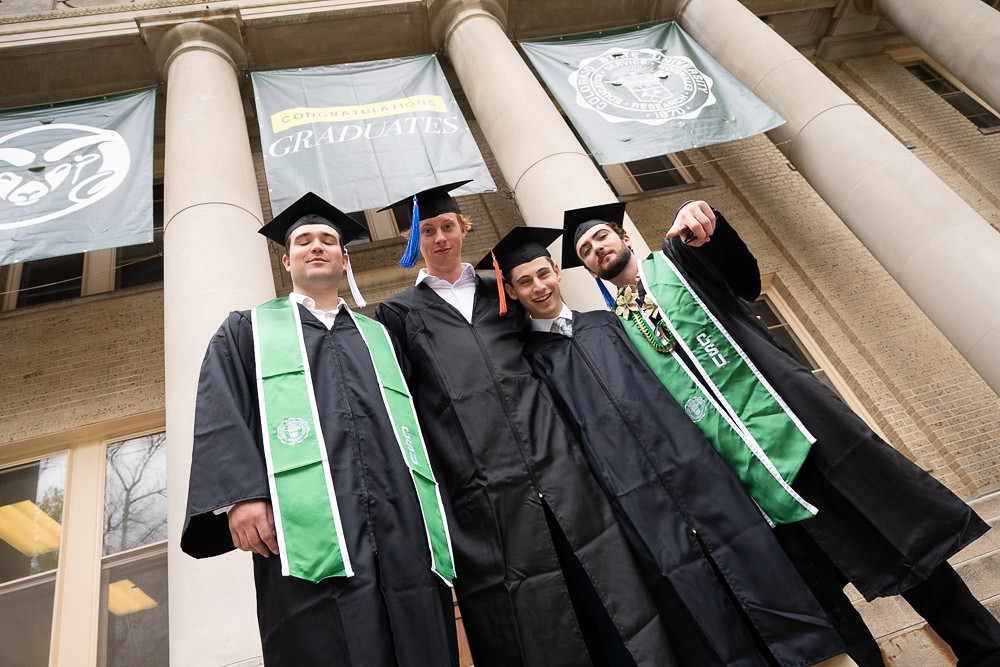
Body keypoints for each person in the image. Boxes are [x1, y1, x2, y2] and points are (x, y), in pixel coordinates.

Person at [565, 199, 1000, 667]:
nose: (596, 249)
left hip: (805, 439)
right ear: (589, 269)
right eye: (586, 250)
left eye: (601, 237)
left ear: (625, 237)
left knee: (903, 548)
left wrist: (702, 219)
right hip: (752, 482)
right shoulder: (619, 331)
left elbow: (744, 279)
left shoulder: (678, 262)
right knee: (821, 604)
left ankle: (985, 651)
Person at [491, 225, 852, 667]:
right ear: (512, 290)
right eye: (525, 281)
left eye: (543, 274)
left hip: (694, 465)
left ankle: (819, 657)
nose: (539, 287)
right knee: (693, 599)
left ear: (557, 272)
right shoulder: (528, 365)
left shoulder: (612, 323)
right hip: (630, 496)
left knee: (758, 563)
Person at [374, 182, 675, 667]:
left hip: (555, 461)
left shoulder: (501, 290)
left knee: (603, 584)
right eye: (427, 231)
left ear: (463, 229)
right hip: (483, 484)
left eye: (448, 226)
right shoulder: (398, 312)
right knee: (536, 610)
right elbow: (405, 402)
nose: (440, 238)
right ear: (415, 240)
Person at [180, 192, 459, 666]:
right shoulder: (247, 331)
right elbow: (221, 412)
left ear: (344, 259)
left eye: (328, 240)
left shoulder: (381, 336)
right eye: (304, 241)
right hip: (303, 534)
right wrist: (243, 496)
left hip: (401, 527)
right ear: (286, 261)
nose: (317, 247)